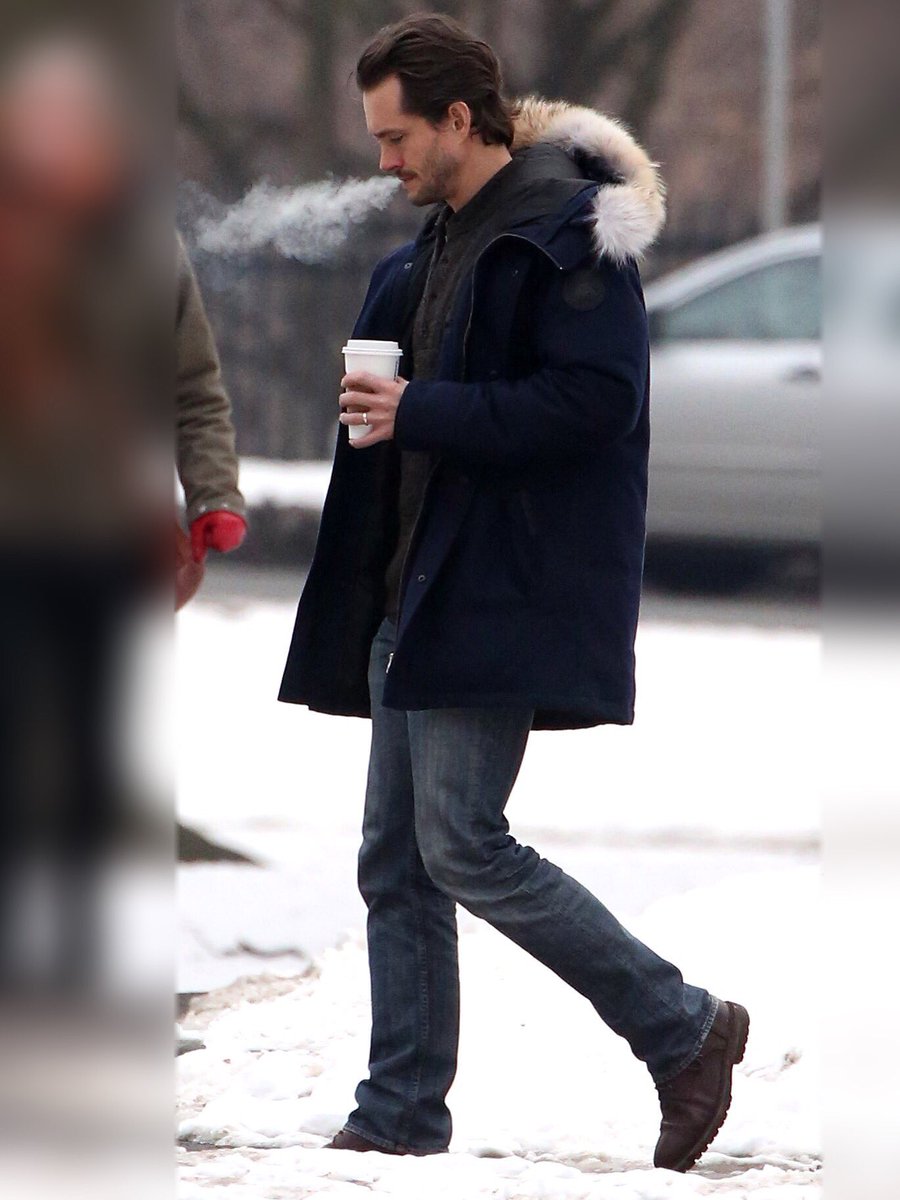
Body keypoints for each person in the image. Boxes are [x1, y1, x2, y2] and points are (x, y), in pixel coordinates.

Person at [279, 14, 749, 1173]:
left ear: (457, 118)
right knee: (396, 860)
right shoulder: (437, 244)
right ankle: (399, 1111)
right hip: (417, 589)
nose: (383, 161)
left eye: (397, 138)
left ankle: (683, 1029)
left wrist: (422, 412)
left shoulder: (565, 237)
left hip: (496, 589)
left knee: (464, 844)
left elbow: (599, 403)